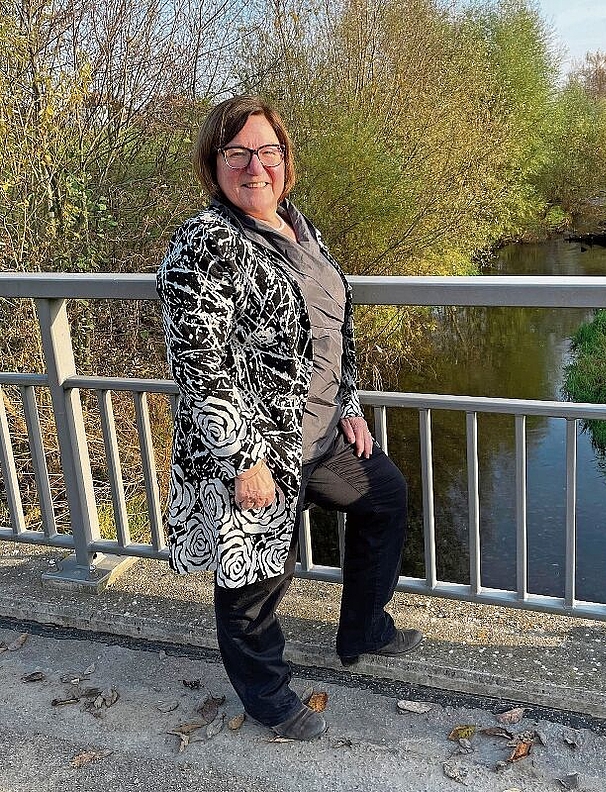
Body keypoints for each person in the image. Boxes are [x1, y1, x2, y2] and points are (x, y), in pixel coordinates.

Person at [156, 95, 422, 741]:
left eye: (267, 151)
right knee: (254, 582)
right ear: (213, 163)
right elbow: (200, 363)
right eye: (237, 152)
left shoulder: (300, 228)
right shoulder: (206, 242)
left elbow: (332, 333)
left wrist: (350, 404)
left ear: (286, 160)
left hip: (323, 436)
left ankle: (363, 628)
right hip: (254, 446)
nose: (255, 166)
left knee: (385, 498)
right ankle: (268, 697)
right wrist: (243, 460)